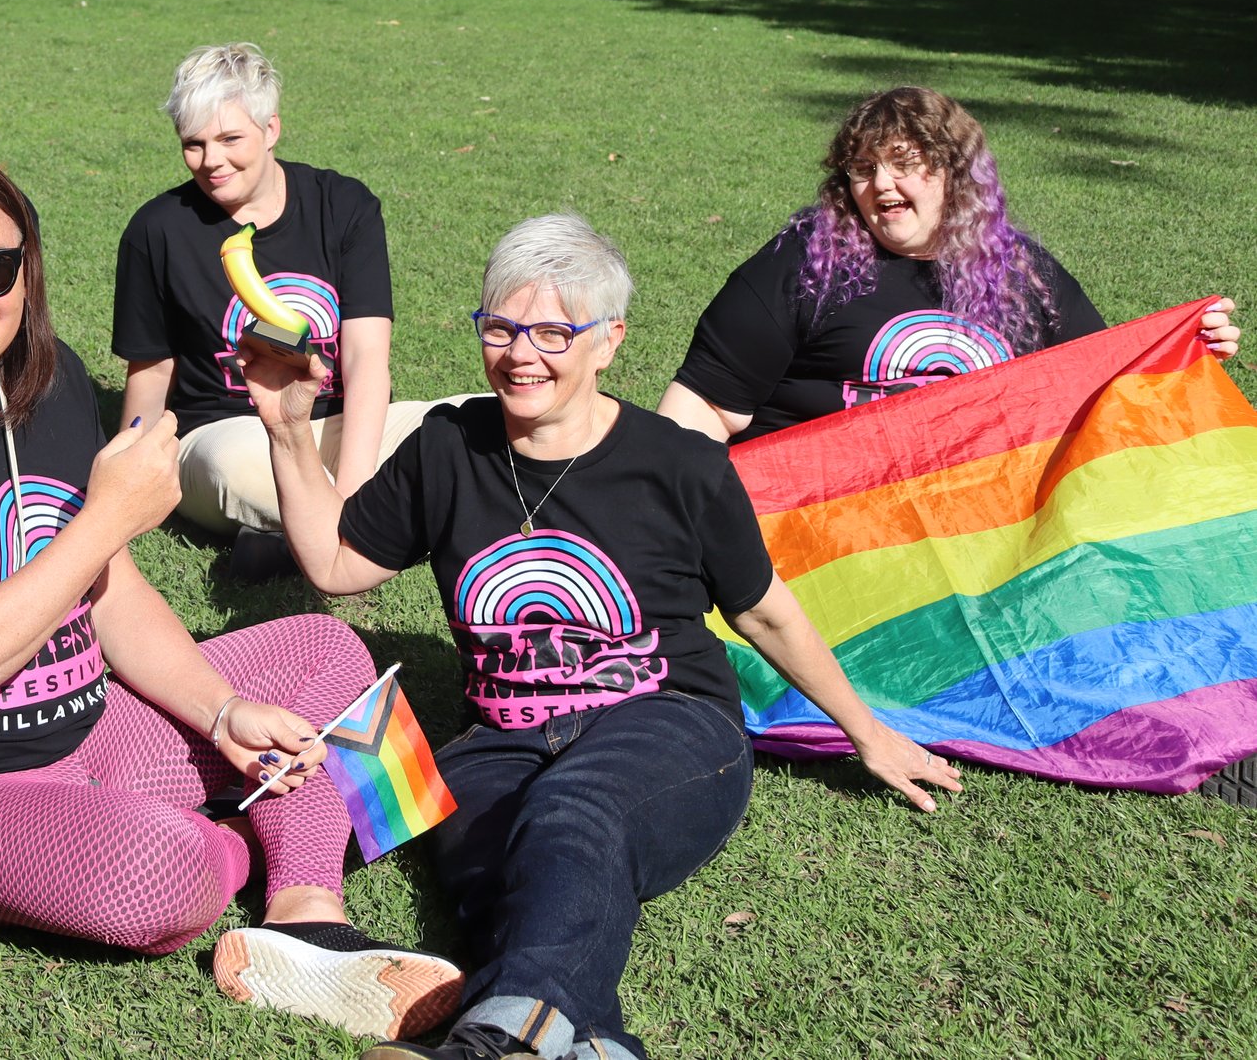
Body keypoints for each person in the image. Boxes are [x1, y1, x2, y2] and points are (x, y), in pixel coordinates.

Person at [0, 150, 463, 1045]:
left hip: (93, 727)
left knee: (325, 656)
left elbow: (111, 591)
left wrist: (220, 709)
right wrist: (106, 518)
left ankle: (304, 908)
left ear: (29, 266)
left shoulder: (43, 384)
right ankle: (258, 835)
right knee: (152, 877)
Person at [241, 213, 963, 1060]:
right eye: (501, 327)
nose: (520, 354)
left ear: (609, 340)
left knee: (573, 811)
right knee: (491, 879)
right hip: (498, 738)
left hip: (670, 721)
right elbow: (332, 562)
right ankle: (588, 1046)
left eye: (553, 331)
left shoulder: (681, 466)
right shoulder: (449, 447)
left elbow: (765, 608)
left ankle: (495, 1045)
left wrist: (867, 733)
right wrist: (290, 429)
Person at [659, 85, 1238, 445]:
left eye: (903, 163)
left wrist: (1185, 349)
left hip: (975, 523)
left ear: (955, 174)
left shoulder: (1023, 271)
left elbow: (1099, 384)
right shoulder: (804, 261)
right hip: (818, 524)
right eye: (862, 169)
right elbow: (705, 407)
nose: (880, 184)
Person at [113, 42, 422, 581]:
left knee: (475, 424)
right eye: (194, 144)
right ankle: (382, 522)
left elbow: (368, 356)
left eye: (231, 138)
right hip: (230, 433)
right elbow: (152, 370)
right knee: (236, 467)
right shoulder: (156, 230)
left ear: (271, 128)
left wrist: (351, 489)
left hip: (340, 426)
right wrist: (127, 476)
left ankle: (298, 538)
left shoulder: (345, 206)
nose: (212, 162)